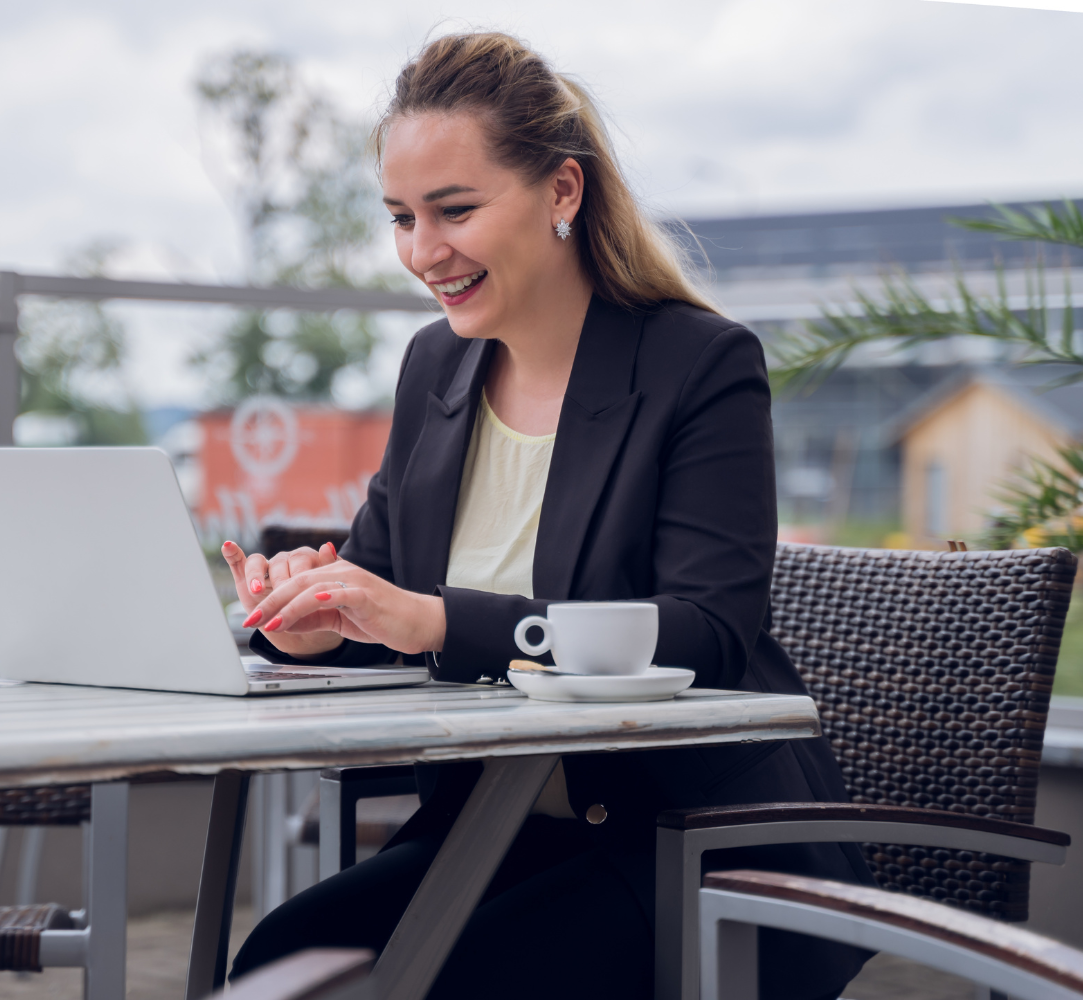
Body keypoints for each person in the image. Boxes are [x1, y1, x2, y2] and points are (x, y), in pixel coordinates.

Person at [219, 31, 873, 1000]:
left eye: (455, 210)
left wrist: (439, 619)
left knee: (461, 981)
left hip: (691, 839)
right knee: (284, 957)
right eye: (401, 216)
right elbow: (386, 603)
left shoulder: (698, 363)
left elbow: (712, 631)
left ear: (563, 191)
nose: (422, 251)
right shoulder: (435, 367)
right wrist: (316, 626)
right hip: (502, 829)